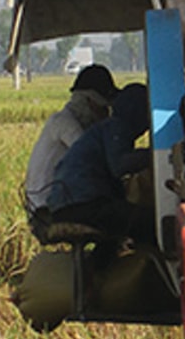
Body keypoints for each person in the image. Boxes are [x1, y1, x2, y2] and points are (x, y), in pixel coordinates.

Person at [45, 83, 152, 244]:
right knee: (150, 221)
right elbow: (119, 166)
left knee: (124, 217)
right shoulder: (117, 127)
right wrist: (152, 155)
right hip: (82, 205)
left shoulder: (105, 128)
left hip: (66, 205)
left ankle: (100, 265)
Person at [24, 64, 120, 213]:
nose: (105, 114)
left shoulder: (72, 122)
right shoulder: (63, 123)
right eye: (103, 108)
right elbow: (91, 156)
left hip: (59, 198)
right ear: (88, 102)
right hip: (45, 205)